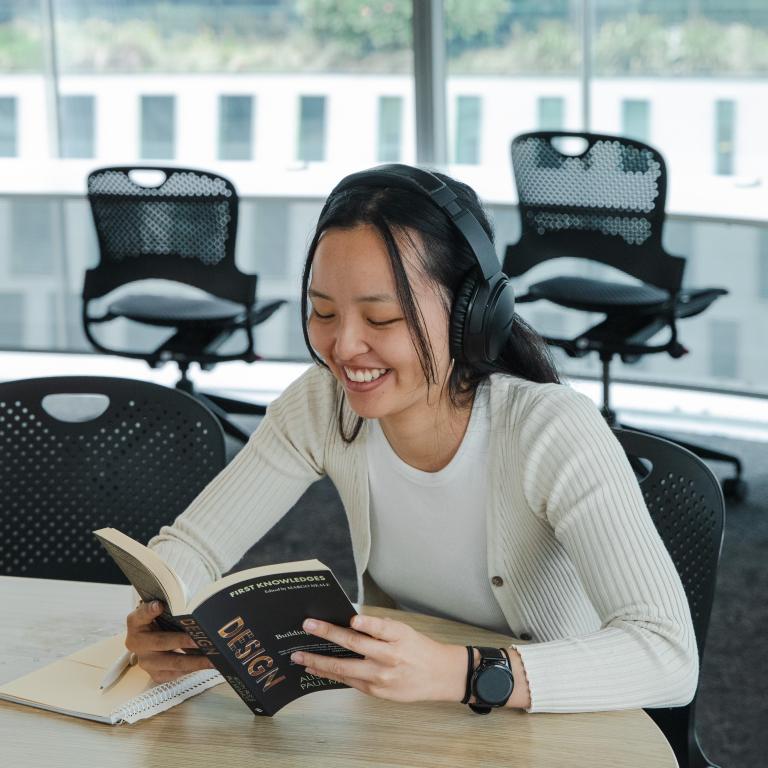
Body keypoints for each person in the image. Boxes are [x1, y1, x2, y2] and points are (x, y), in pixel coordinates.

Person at [125, 164, 698, 714]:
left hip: (545, 730)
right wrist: (161, 614)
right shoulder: (325, 403)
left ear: (471, 314)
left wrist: (460, 673)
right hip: (407, 722)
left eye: (381, 320)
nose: (344, 347)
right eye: (323, 312)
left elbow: (667, 655)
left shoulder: (549, 430)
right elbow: (195, 546)